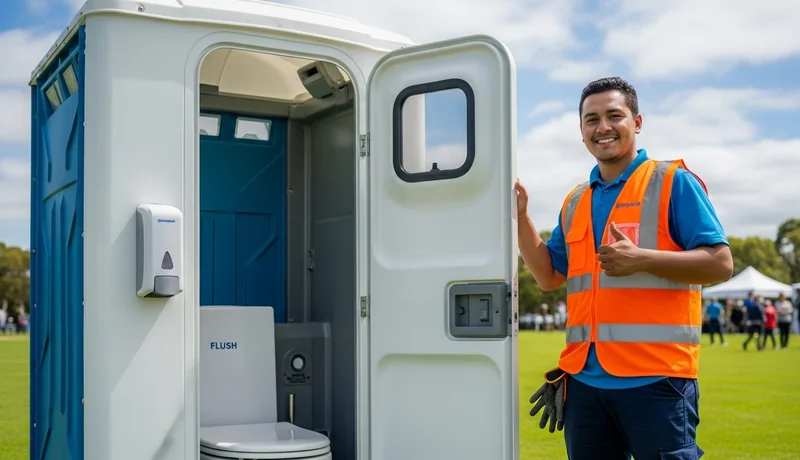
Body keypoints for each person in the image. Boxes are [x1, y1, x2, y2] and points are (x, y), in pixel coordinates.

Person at [518, 77, 733, 460]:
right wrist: (519, 219)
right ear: (581, 131)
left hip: (657, 380)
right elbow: (549, 277)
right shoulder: (574, 200)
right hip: (584, 383)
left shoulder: (673, 182)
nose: (602, 126)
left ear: (637, 122)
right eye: (591, 119)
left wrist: (643, 258)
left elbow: (720, 263)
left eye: (614, 115)